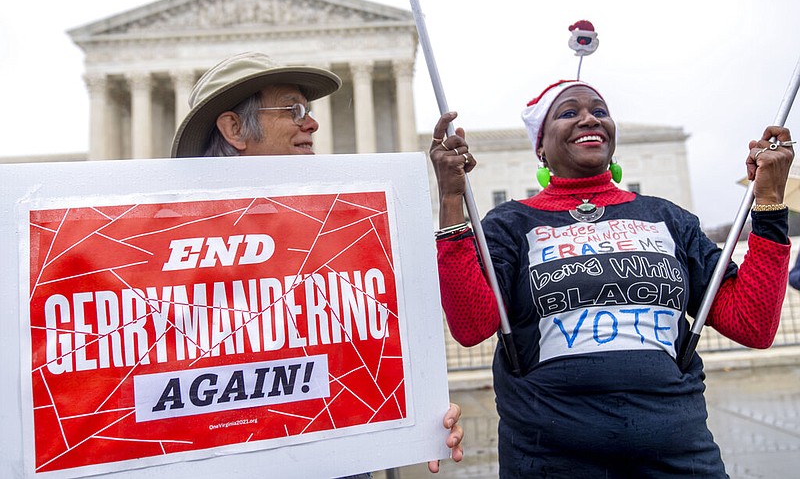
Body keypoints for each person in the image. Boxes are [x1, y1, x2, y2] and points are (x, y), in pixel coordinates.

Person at [430, 79, 793, 478]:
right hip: (551, 461)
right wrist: (451, 200)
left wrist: (769, 201)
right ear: (540, 145)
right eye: (569, 112)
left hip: (679, 456)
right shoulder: (509, 224)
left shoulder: (669, 219)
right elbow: (471, 326)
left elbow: (752, 325)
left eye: (600, 111)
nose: (590, 118)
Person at [172, 51, 464, 477]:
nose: (311, 123)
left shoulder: (343, 235)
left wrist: (421, 409)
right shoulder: (171, 253)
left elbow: (370, 350)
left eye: (306, 111)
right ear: (235, 129)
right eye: (294, 110)